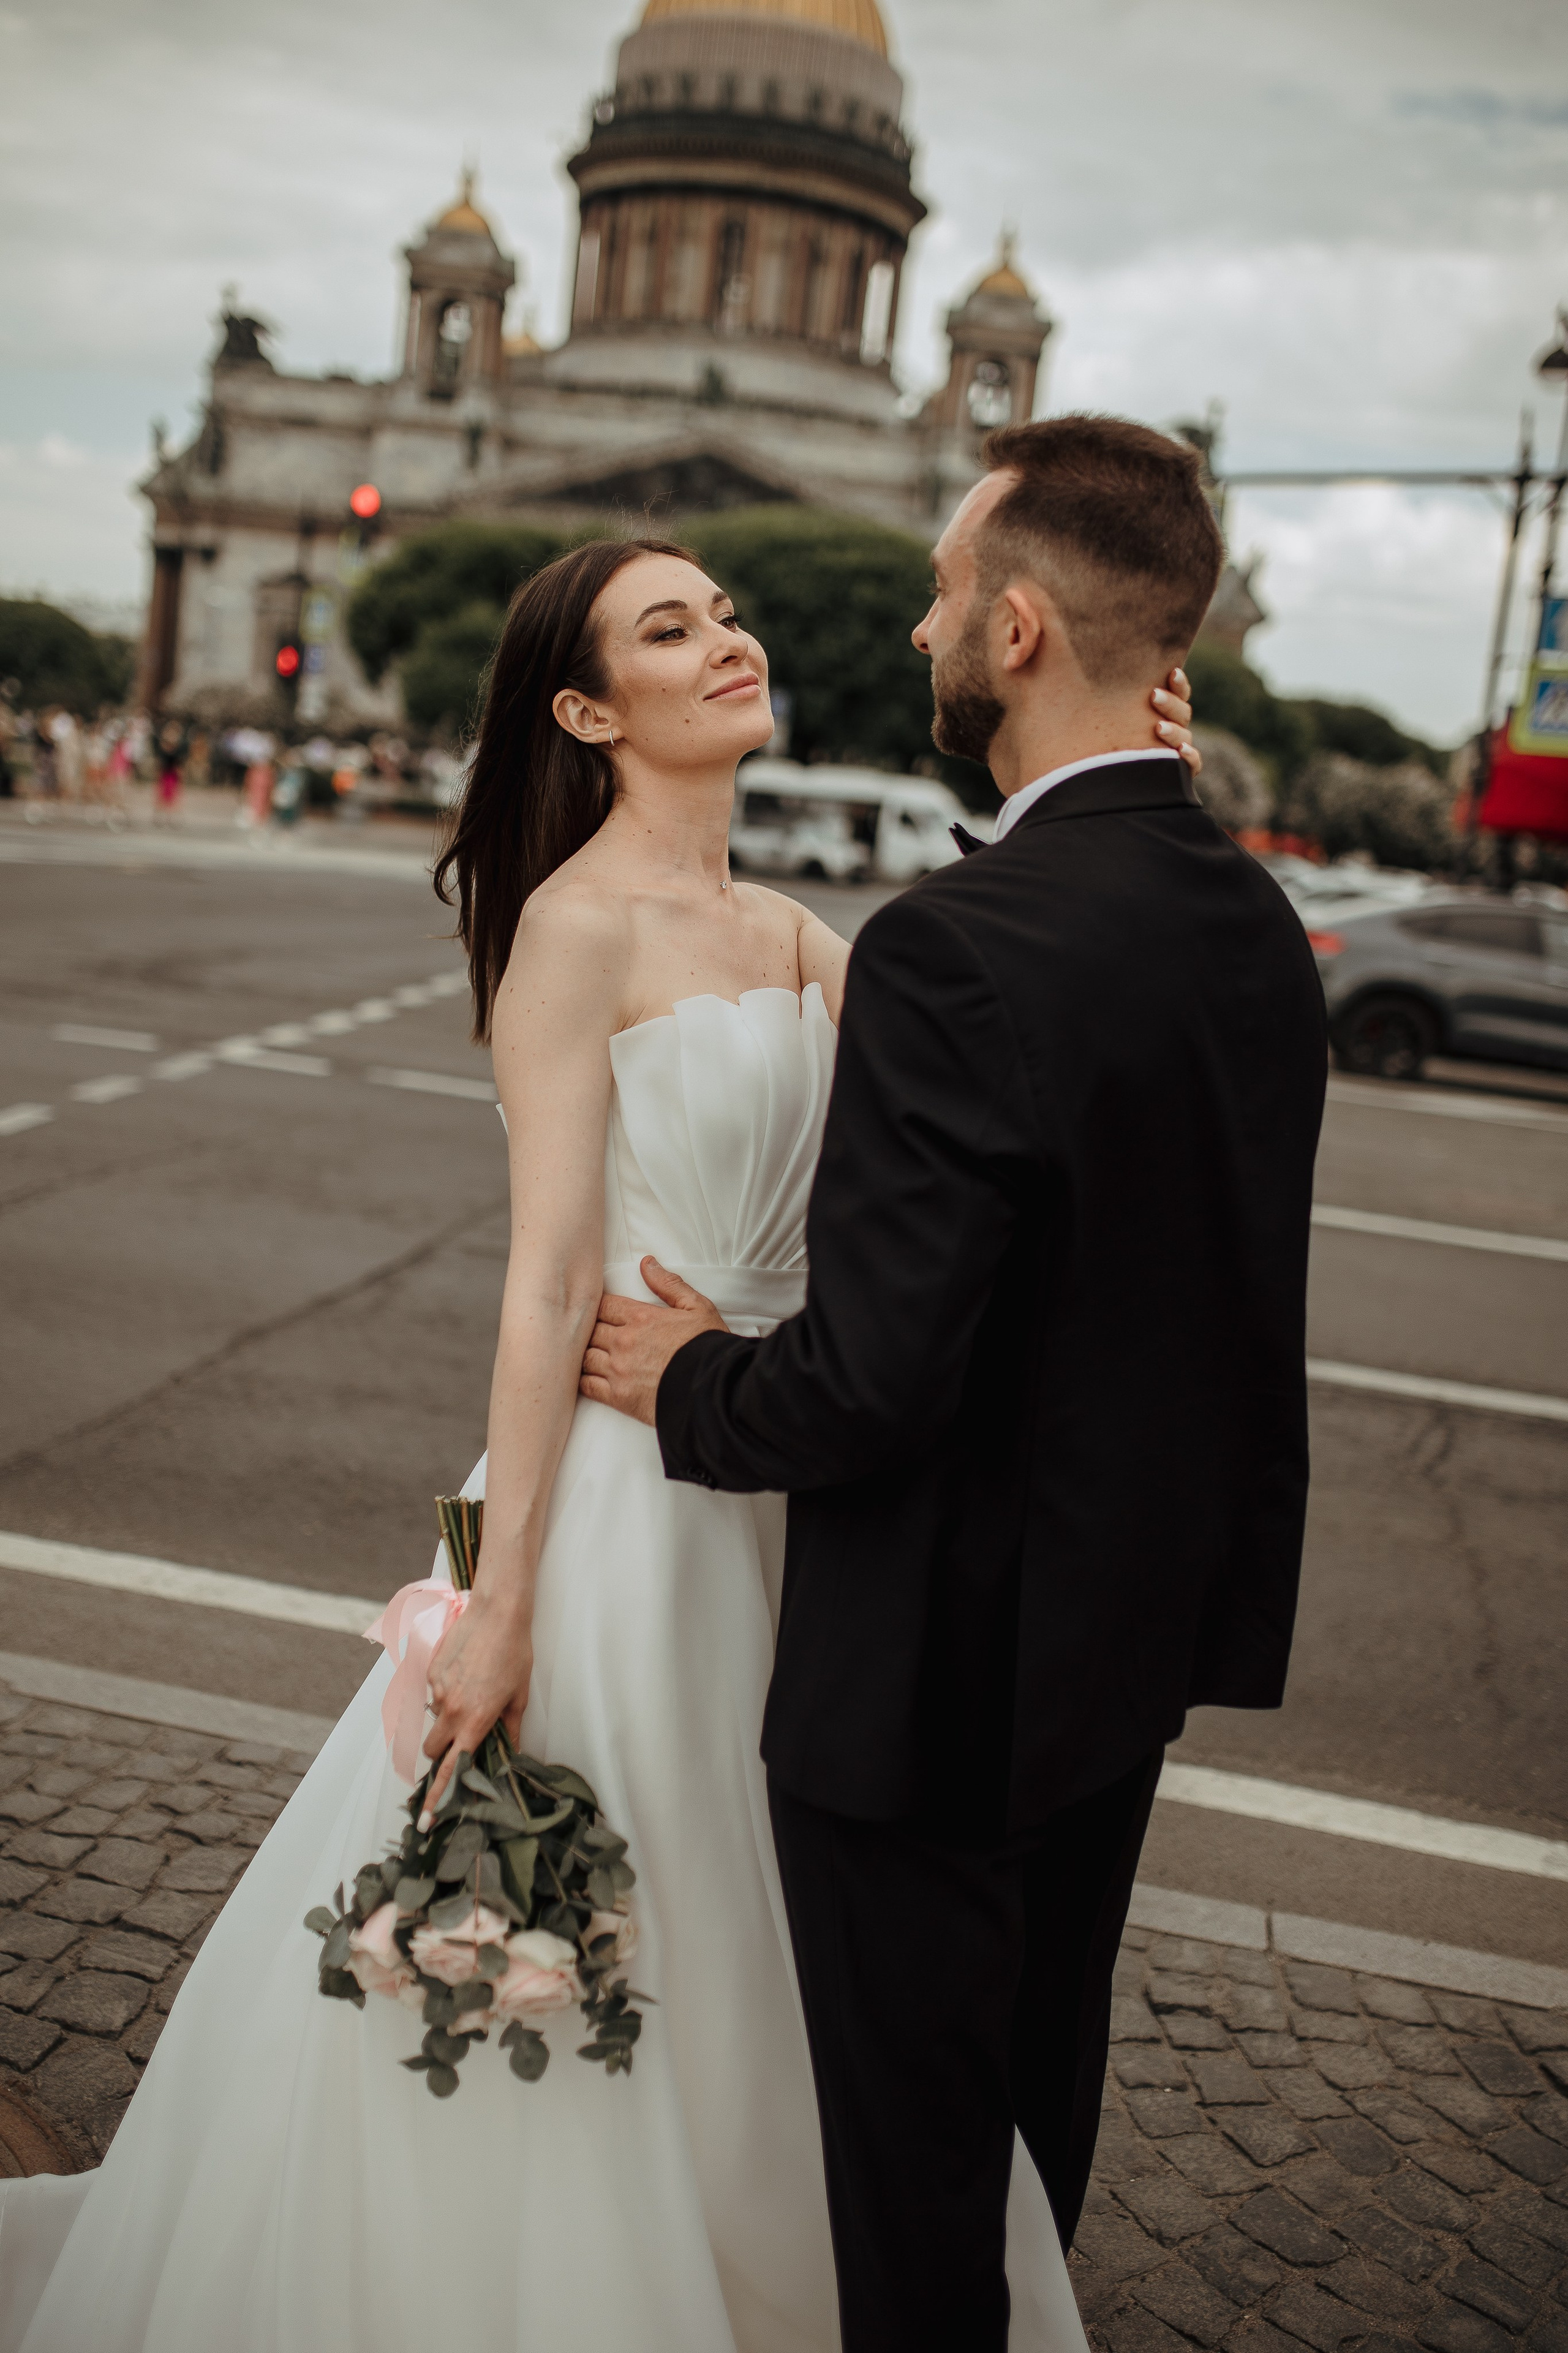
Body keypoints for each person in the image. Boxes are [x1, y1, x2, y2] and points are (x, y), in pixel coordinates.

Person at [0, 524, 1196, 2353]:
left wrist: (1144, 796)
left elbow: (958, 1166)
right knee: (611, 1927)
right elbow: (548, 1291)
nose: (726, 638)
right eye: (668, 626)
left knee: (794, 1953)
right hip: (623, 1513)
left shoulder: (816, 936)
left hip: (795, 1499)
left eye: (722, 609)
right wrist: (494, 1595)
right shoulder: (572, 930)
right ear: (588, 704)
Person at [580, 420, 1328, 2352]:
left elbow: (869, 1388)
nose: (916, 624)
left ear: (1008, 629)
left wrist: (687, 1382)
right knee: (1021, 2140)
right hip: (1116, 1662)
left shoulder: (965, 950)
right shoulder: (1248, 922)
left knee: (906, 2200)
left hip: (927, 1689)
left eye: (937, 592)